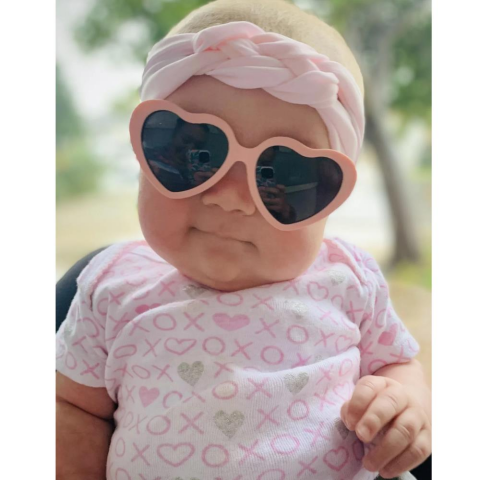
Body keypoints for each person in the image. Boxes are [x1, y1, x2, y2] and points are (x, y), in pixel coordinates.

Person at [56, 2, 431, 479]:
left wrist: (406, 402)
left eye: (286, 172)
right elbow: (74, 405)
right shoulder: (110, 286)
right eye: (195, 152)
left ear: (330, 200)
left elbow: (397, 363)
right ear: (142, 153)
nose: (232, 198)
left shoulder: (349, 277)